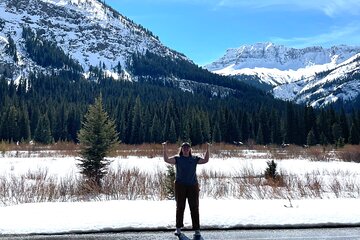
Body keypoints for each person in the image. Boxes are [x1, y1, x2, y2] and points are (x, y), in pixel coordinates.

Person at [162, 141, 210, 238]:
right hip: (180, 186)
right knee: (180, 207)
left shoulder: (194, 159)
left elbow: (205, 160)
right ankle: (178, 229)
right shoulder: (177, 159)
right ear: (181, 149)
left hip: (193, 186)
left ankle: (197, 230)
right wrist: (164, 148)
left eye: (187, 147)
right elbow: (166, 160)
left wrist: (208, 148)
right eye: (184, 147)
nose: (186, 149)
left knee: (194, 208)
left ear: (190, 149)